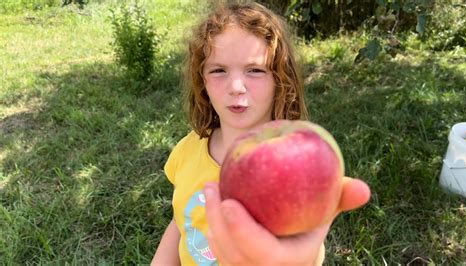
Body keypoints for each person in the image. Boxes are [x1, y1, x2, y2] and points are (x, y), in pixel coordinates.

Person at [151, 1, 371, 265]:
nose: (235, 87)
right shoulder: (187, 150)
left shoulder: (292, 167)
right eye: (218, 70)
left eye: (254, 70)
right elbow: (180, 221)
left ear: (280, 79)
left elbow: (299, 250)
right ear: (202, 80)